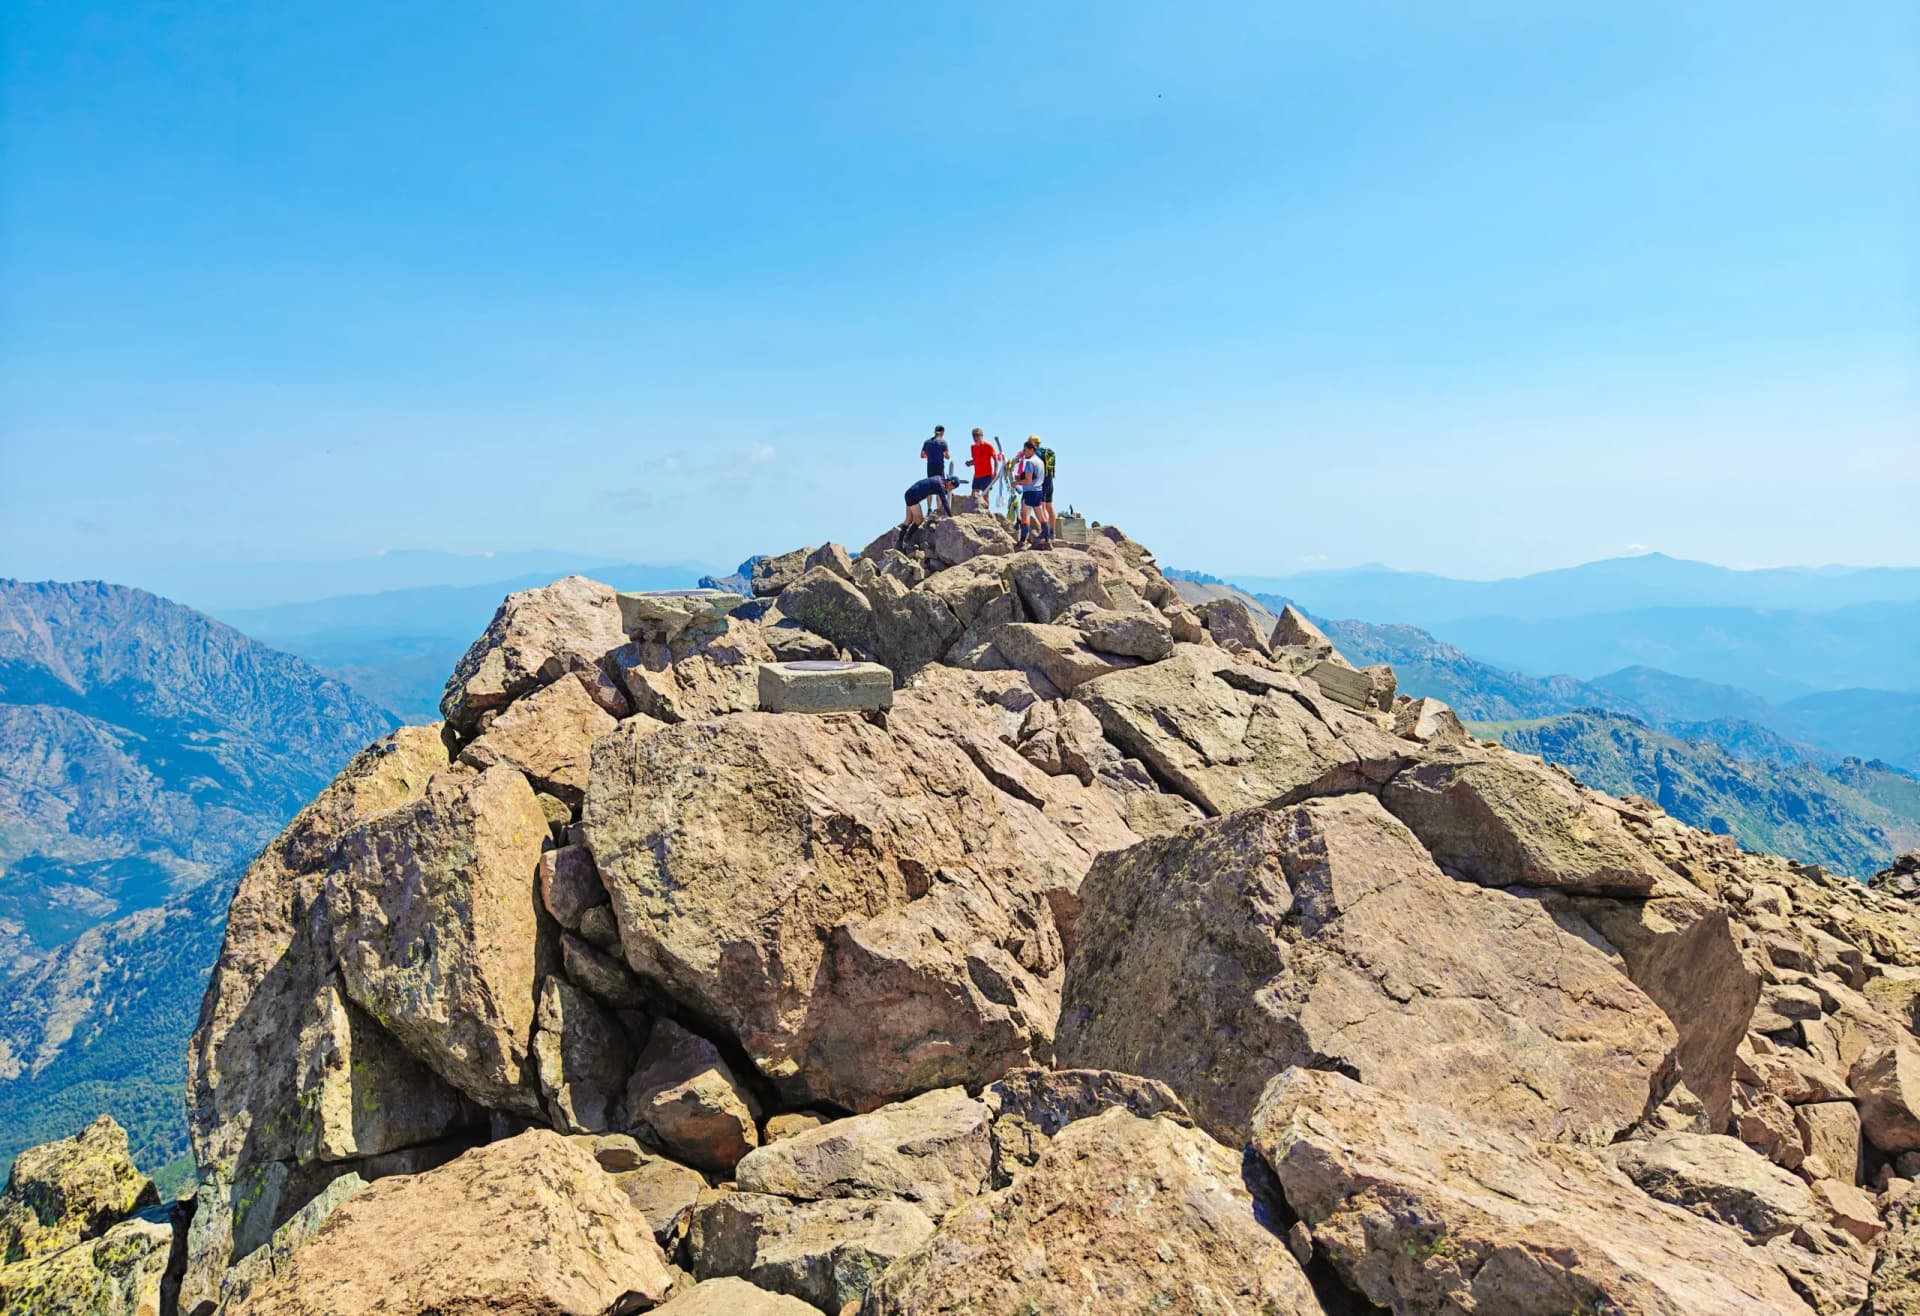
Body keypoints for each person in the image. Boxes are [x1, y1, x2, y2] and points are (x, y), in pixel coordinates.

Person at [1012, 437, 1049, 549]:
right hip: (1038, 491)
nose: (1025, 452)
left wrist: (1017, 483)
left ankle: (1023, 541)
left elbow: (1028, 481)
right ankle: (1047, 540)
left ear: (1032, 450)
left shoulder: (1029, 462)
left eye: (1026, 450)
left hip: (1029, 492)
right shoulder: (1040, 462)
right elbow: (1034, 477)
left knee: (1025, 516)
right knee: (1041, 517)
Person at [900, 474, 960, 544]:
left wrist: (945, 492)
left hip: (909, 493)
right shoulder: (940, 485)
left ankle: (900, 542)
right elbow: (944, 502)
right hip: (913, 497)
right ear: (949, 483)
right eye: (952, 488)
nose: (951, 490)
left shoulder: (940, 479)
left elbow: (939, 490)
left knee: (909, 519)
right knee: (919, 519)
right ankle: (907, 540)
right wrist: (950, 517)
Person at [918, 426, 950, 518]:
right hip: (939, 466)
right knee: (940, 487)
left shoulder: (927, 442)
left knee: (930, 486)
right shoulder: (943, 442)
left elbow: (922, 455)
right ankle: (939, 509)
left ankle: (929, 508)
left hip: (930, 466)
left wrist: (930, 455)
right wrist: (941, 453)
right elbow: (948, 456)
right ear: (942, 432)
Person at [1032, 435, 1058, 541]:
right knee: (1049, 507)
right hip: (1050, 482)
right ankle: (1052, 532)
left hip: (1041, 483)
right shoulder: (1046, 453)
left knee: (1041, 507)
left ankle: (1045, 531)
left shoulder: (1035, 454)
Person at [968, 428, 1001, 504]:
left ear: (981, 436)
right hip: (977, 475)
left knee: (985, 494)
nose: (975, 438)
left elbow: (995, 459)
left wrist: (995, 472)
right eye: (974, 436)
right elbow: (976, 460)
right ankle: (974, 511)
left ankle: (986, 511)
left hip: (986, 475)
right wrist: (970, 463)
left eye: (977, 435)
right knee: (974, 494)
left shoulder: (988, 446)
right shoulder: (973, 447)